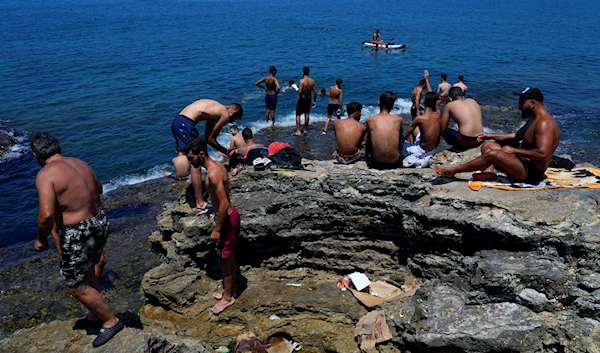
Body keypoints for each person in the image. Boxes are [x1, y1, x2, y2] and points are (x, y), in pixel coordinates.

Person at [31, 133, 123, 347]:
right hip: (100, 221)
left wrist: (40, 239)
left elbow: (45, 214)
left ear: (36, 155)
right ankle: (94, 315)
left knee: (74, 284)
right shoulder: (80, 163)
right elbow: (99, 189)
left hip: (79, 230)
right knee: (89, 270)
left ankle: (111, 321)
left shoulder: (46, 174)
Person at [434, 87, 560, 185]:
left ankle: (453, 171)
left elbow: (542, 154)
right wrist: (489, 135)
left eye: (522, 101)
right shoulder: (534, 119)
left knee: (494, 155)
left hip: (530, 173)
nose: (519, 105)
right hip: (521, 162)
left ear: (533, 103)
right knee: (488, 146)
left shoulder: (545, 123)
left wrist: (513, 150)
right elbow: (515, 135)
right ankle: (489, 173)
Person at [183, 137, 241, 315]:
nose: (190, 161)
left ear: (201, 154)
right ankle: (230, 291)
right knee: (227, 257)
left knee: (224, 258)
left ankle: (228, 298)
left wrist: (216, 228)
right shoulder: (218, 166)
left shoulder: (212, 173)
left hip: (227, 220)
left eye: (192, 158)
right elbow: (228, 187)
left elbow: (224, 203)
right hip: (228, 216)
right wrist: (213, 210)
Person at [171, 99, 243, 214]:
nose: (229, 122)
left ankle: (199, 197)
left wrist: (225, 152)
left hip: (181, 122)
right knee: (196, 162)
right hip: (185, 124)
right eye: (233, 119)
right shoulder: (224, 113)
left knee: (197, 158)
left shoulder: (214, 112)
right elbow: (211, 139)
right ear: (232, 112)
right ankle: (200, 203)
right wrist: (227, 152)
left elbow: (208, 139)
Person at [365, 91, 405, 170]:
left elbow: (369, 141)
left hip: (377, 162)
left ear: (378, 102)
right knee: (400, 133)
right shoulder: (398, 120)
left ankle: (368, 157)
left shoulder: (370, 120)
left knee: (371, 134)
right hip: (395, 161)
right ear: (393, 106)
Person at [440, 87, 484, 151]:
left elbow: (443, 127)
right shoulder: (472, 101)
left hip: (466, 141)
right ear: (463, 96)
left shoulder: (450, 105)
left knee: (443, 130)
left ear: (450, 98)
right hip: (481, 139)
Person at [403, 92, 441, 157]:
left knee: (403, 140)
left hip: (421, 152)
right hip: (432, 150)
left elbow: (405, 135)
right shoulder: (438, 113)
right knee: (414, 129)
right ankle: (413, 144)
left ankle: (411, 150)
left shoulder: (420, 119)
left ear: (424, 101)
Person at [294, 67, 317, 136]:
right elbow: (315, 92)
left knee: (298, 114)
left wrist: (295, 88)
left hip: (302, 99)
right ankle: (305, 129)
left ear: (302, 73)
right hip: (308, 99)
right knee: (307, 114)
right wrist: (314, 101)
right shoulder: (312, 81)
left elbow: (300, 91)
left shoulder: (302, 81)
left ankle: (298, 130)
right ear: (309, 73)